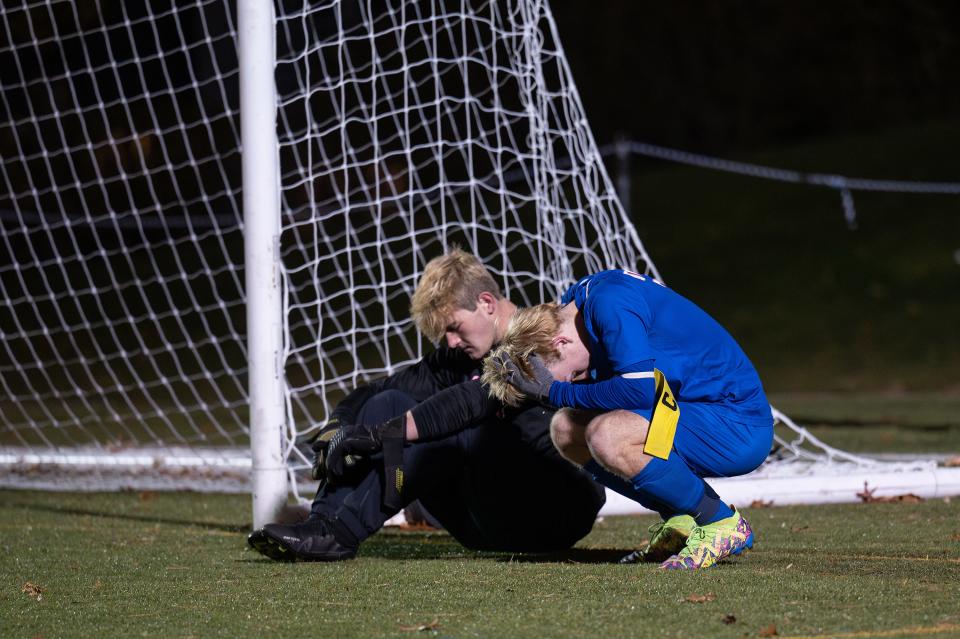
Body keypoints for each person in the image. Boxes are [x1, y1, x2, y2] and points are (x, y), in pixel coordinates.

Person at [247, 249, 605, 561]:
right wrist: (338, 424)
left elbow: (463, 408)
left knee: (447, 429)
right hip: (484, 521)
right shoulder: (457, 358)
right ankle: (320, 525)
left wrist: (387, 435)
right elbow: (378, 390)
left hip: (554, 507)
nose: (450, 341)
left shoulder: (540, 340)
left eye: (454, 327)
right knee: (389, 402)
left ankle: (341, 534)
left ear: (486, 303)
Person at [482, 268, 773, 570]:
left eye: (574, 375)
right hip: (692, 408)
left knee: (608, 435)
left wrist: (558, 392)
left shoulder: (609, 302)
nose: (579, 379)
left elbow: (640, 390)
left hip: (736, 423)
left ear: (560, 343)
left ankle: (720, 522)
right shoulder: (577, 302)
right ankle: (681, 517)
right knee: (566, 428)